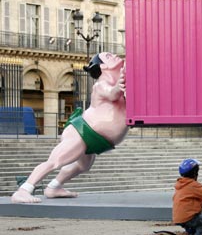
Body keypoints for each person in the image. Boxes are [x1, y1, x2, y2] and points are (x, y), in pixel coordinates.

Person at [11, 52, 128, 203]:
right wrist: (120, 85)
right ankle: (23, 190)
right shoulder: (100, 85)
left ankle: (54, 187)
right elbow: (112, 94)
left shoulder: (119, 81)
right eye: (109, 56)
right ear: (103, 66)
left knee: (82, 166)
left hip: (95, 138)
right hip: (83, 131)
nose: (115, 56)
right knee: (55, 161)